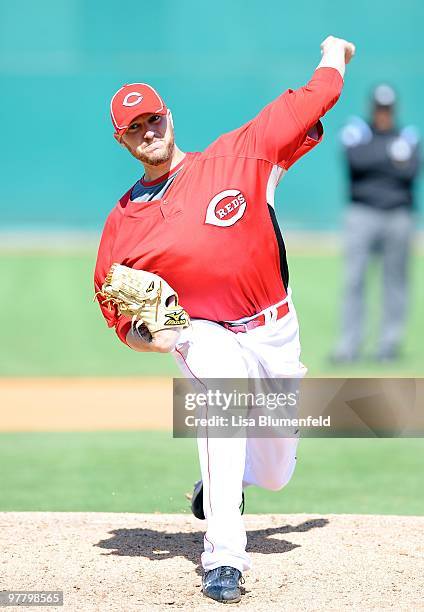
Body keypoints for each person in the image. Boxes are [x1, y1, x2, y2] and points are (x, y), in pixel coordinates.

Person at [95, 35, 355, 604]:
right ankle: (223, 557)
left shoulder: (238, 155)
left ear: (169, 116)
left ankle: (224, 483)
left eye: (152, 118)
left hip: (274, 329)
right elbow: (113, 303)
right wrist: (150, 335)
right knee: (223, 392)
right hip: (204, 333)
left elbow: (315, 98)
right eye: (135, 127)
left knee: (278, 470)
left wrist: (334, 55)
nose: (148, 131)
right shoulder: (123, 223)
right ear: (123, 139)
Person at [332, 84, 420, 363]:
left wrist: (378, 157)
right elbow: (356, 159)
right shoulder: (357, 131)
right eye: (379, 108)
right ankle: (348, 345)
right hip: (362, 213)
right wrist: (390, 158)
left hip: (398, 214)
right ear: (372, 108)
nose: (383, 114)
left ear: (394, 110)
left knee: (395, 280)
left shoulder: (407, 135)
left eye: (388, 109)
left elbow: (412, 169)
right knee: (354, 279)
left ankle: (388, 345)